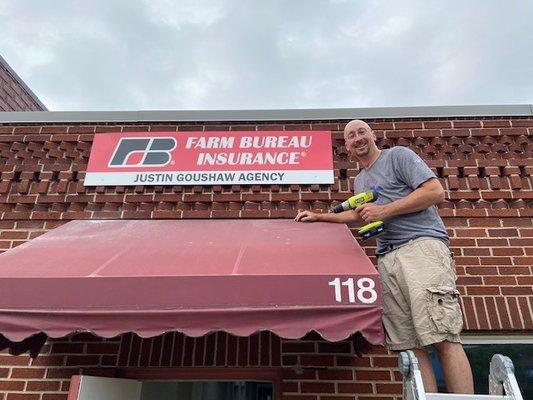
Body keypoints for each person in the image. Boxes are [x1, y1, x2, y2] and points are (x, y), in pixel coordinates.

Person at [295, 120, 474, 394]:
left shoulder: (398, 156)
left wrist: (385, 210)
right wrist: (320, 216)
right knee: (409, 344)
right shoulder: (361, 181)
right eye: (351, 135)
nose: (357, 138)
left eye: (361, 131)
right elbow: (358, 214)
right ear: (346, 146)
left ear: (373, 135)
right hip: (388, 258)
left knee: (442, 334)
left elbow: (434, 192)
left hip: (421, 248)